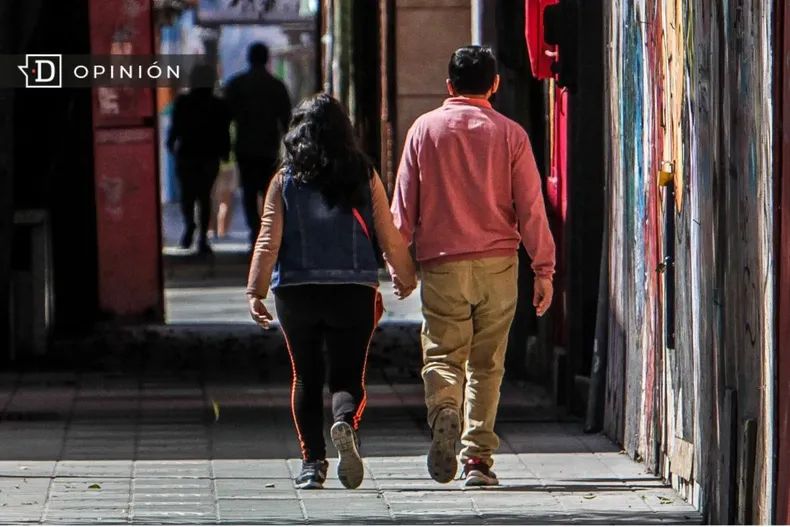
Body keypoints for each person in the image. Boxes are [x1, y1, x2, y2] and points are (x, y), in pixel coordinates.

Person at [390, 45, 556, 488]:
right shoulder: (511, 135)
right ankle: (477, 459)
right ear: (495, 85)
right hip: (498, 265)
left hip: (442, 264)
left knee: (444, 354)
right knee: (488, 363)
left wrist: (397, 264)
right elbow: (532, 207)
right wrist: (543, 269)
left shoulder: (423, 131)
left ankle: (445, 405)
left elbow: (402, 208)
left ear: (449, 85)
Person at [246, 93, 417, 490]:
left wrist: (255, 290)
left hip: (296, 290)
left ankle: (311, 464)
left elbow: (269, 237)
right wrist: (404, 274)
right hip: (352, 289)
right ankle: (343, 422)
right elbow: (387, 232)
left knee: (305, 377)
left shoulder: (285, 178)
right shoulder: (363, 172)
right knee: (347, 374)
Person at [225, 42, 293, 248]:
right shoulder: (277, 86)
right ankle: (268, 231)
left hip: (246, 148)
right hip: (269, 149)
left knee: (248, 192)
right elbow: (287, 122)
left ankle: (255, 231)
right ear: (267, 59)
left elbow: (226, 118)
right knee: (269, 192)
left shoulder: (236, 85)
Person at [167, 63, 232, 254]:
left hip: (187, 154)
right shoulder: (218, 104)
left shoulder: (183, 102)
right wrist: (225, 151)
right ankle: (202, 236)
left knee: (187, 195)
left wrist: (170, 144)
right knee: (205, 196)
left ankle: (190, 227)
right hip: (209, 155)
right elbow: (224, 131)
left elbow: (175, 127)